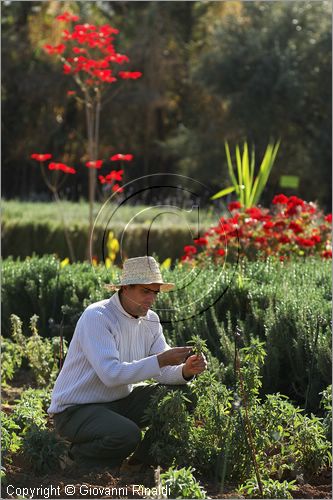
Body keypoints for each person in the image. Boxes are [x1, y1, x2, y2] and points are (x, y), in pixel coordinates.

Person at [48, 256, 207, 471]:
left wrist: (185, 371)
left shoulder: (150, 320)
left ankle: (139, 463)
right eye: (145, 291)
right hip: (75, 411)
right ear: (125, 288)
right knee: (126, 435)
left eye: (155, 293)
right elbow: (111, 375)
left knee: (181, 397)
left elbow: (163, 372)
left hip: (117, 403)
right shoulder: (98, 316)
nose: (151, 299)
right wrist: (161, 359)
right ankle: (72, 458)